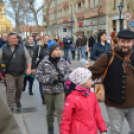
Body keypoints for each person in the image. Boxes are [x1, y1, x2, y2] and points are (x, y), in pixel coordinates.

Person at [89, 29, 134, 134]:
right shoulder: (108, 56)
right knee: (116, 132)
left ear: (132, 42)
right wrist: (75, 82)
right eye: (123, 41)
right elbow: (90, 73)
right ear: (118, 41)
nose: (125, 45)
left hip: (133, 104)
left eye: (128, 42)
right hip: (114, 104)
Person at [36, 42, 71, 134]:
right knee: (49, 111)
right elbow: (38, 75)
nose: (58, 51)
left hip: (60, 90)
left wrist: (64, 78)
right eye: (56, 50)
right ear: (51, 51)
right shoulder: (44, 62)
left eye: (59, 50)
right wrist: (49, 79)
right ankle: (50, 128)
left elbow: (68, 72)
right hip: (48, 91)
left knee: (60, 110)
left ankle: (62, 130)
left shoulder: (62, 61)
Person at [60, 68, 107, 134]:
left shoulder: (92, 95)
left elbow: (97, 115)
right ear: (81, 81)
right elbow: (66, 120)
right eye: (89, 79)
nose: (91, 81)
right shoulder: (71, 98)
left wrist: (103, 130)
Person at [0, 33, 31, 111]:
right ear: (9, 40)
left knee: (19, 89)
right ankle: (10, 106)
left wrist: (29, 68)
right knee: (10, 89)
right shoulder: (3, 49)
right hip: (9, 73)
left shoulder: (22, 47)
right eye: (13, 38)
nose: (16, 39)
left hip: (20, 72)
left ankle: (17, 100)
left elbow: (28, 58)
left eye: (16, 38)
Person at [32, 34, 50, 104]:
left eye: (48, 39)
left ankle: (48, 96)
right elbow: (34, 57)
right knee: (41, 83)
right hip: (40, 67)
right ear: (43, 39)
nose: (46, 40)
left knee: (48, 83)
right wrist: (33, 67)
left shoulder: (51, 47)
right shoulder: (38, 47)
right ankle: (43, 97)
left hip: (50, 68)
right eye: (45, 39)